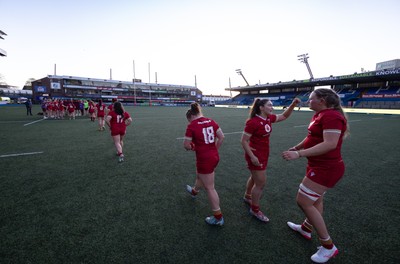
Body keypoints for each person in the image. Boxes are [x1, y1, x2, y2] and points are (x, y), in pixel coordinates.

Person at [282, 88, 349, 263]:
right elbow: (311, 136)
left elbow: (330, 144)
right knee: (315, 200)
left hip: (327, 168)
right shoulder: (319, 115)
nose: (308, 101)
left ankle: (328, 246)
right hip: (318, 165)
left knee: (303, 201)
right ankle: (306, 228)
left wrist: (299, 154)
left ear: (322, 100)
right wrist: (297, 147)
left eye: (311, 99)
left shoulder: (331, 116)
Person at [241, 97, 300, 222]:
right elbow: (244, 141)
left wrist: (293, 104)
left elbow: (284, 116)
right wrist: (252, 157)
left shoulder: (268, 118)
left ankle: (247, 196)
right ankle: (255, 210)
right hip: (255, 156)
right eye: (269, 105)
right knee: (260, 183)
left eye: (272, 105)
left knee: (254, 178)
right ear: (261, 107)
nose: (272, 107)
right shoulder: (253, 122)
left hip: (263, 154)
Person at [184, 102, 225, 226]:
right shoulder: (211, 121)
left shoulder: (192, 125)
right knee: (200, 175)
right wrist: (214, 149)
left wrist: (192, 147)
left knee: (210, 187)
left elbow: (186, 145)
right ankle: (194, 191)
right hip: (214, 156)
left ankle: (218, 218)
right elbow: (221, 137)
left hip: (204, 158)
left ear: (190, 116)